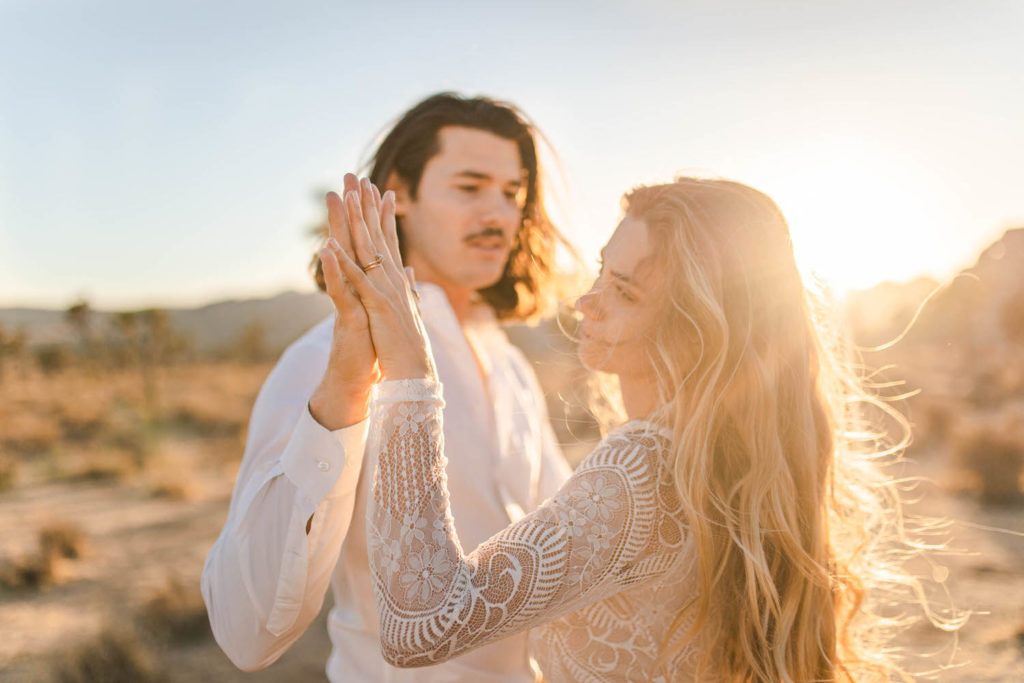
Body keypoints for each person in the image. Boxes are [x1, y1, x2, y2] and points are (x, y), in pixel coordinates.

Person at [323, 176, 950, 681]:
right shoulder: (720, 457)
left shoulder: (643, 470)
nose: (586, 302)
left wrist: (408, 366)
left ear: (695, 328)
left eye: (623, 292)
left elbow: (422, 623)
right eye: (601, 271)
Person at [201, 93, 575, 682]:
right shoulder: (320, 362)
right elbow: (247, 634)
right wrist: (345, 389)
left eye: (513, 193)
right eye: (470, 187)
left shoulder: (510, 367)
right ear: (399, 194)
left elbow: (566, 541)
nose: (500, 215)